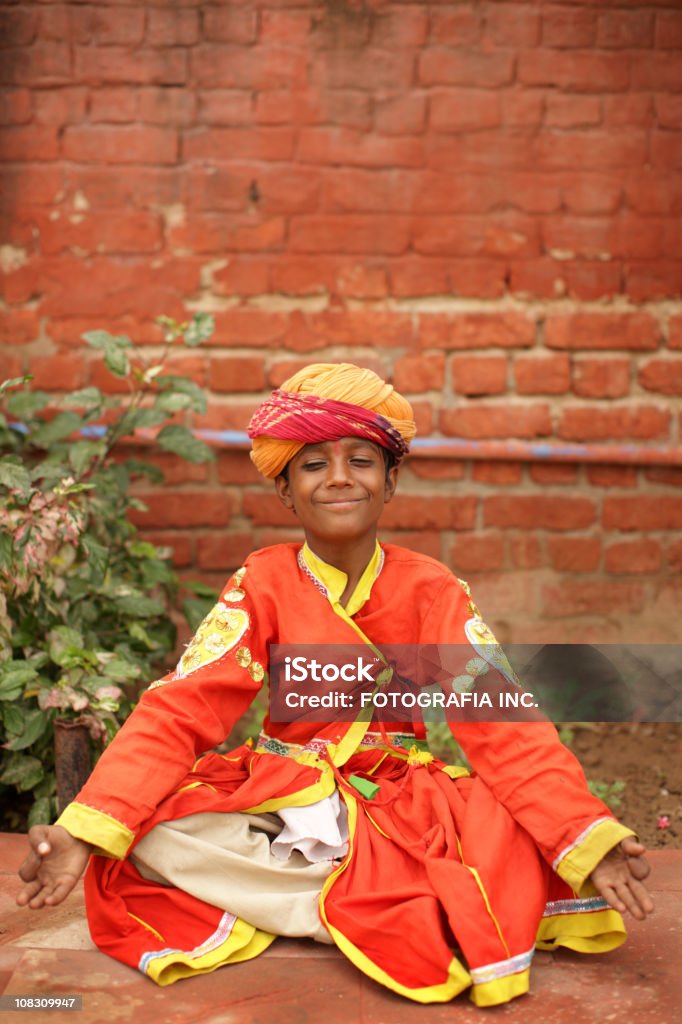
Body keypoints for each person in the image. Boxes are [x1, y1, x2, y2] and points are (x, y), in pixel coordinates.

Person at [17, 363, 653, 1007]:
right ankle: (371, 903)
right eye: (313, 465)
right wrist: (83, 829)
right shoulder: (261, 581)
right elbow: (182, 707)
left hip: (400, 801)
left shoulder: (432, 589)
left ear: (390, 481)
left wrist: (583, 831)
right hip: (282, 796)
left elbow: (500, 722)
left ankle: (335, 899)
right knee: (144, 837)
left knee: (502, 827)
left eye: (361, 460)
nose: (341, 478)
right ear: (286, 491)